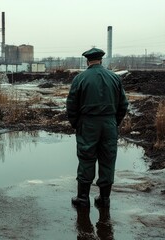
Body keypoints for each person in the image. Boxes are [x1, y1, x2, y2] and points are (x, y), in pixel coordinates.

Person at [66, 47, 129, 208]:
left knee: (86, 158)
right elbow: (123, 104)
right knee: (108, 159)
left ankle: (83, 199)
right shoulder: (114, 78)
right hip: (109, 124)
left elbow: (72, 105)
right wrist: (114, 122)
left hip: (88, 124)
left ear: (88, 61)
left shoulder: (80, 78)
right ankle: (104, 199)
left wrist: (76, 124)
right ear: (101, 60)